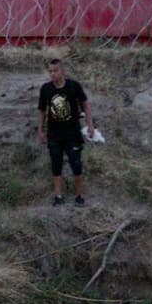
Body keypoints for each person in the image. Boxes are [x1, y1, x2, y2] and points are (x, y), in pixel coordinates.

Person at [38, 58, 96, 207]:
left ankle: (79, 195)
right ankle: (58, 196)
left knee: (76, 165)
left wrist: (90, 125)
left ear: (62, 71)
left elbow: (85, 105)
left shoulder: (73, 86)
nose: (52, 74)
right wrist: (40, 129)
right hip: (54, 135)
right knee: (56, 166)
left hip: (73, 134)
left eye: (55, 70)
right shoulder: (46, 89)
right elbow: (42, 110)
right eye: (50, 71)